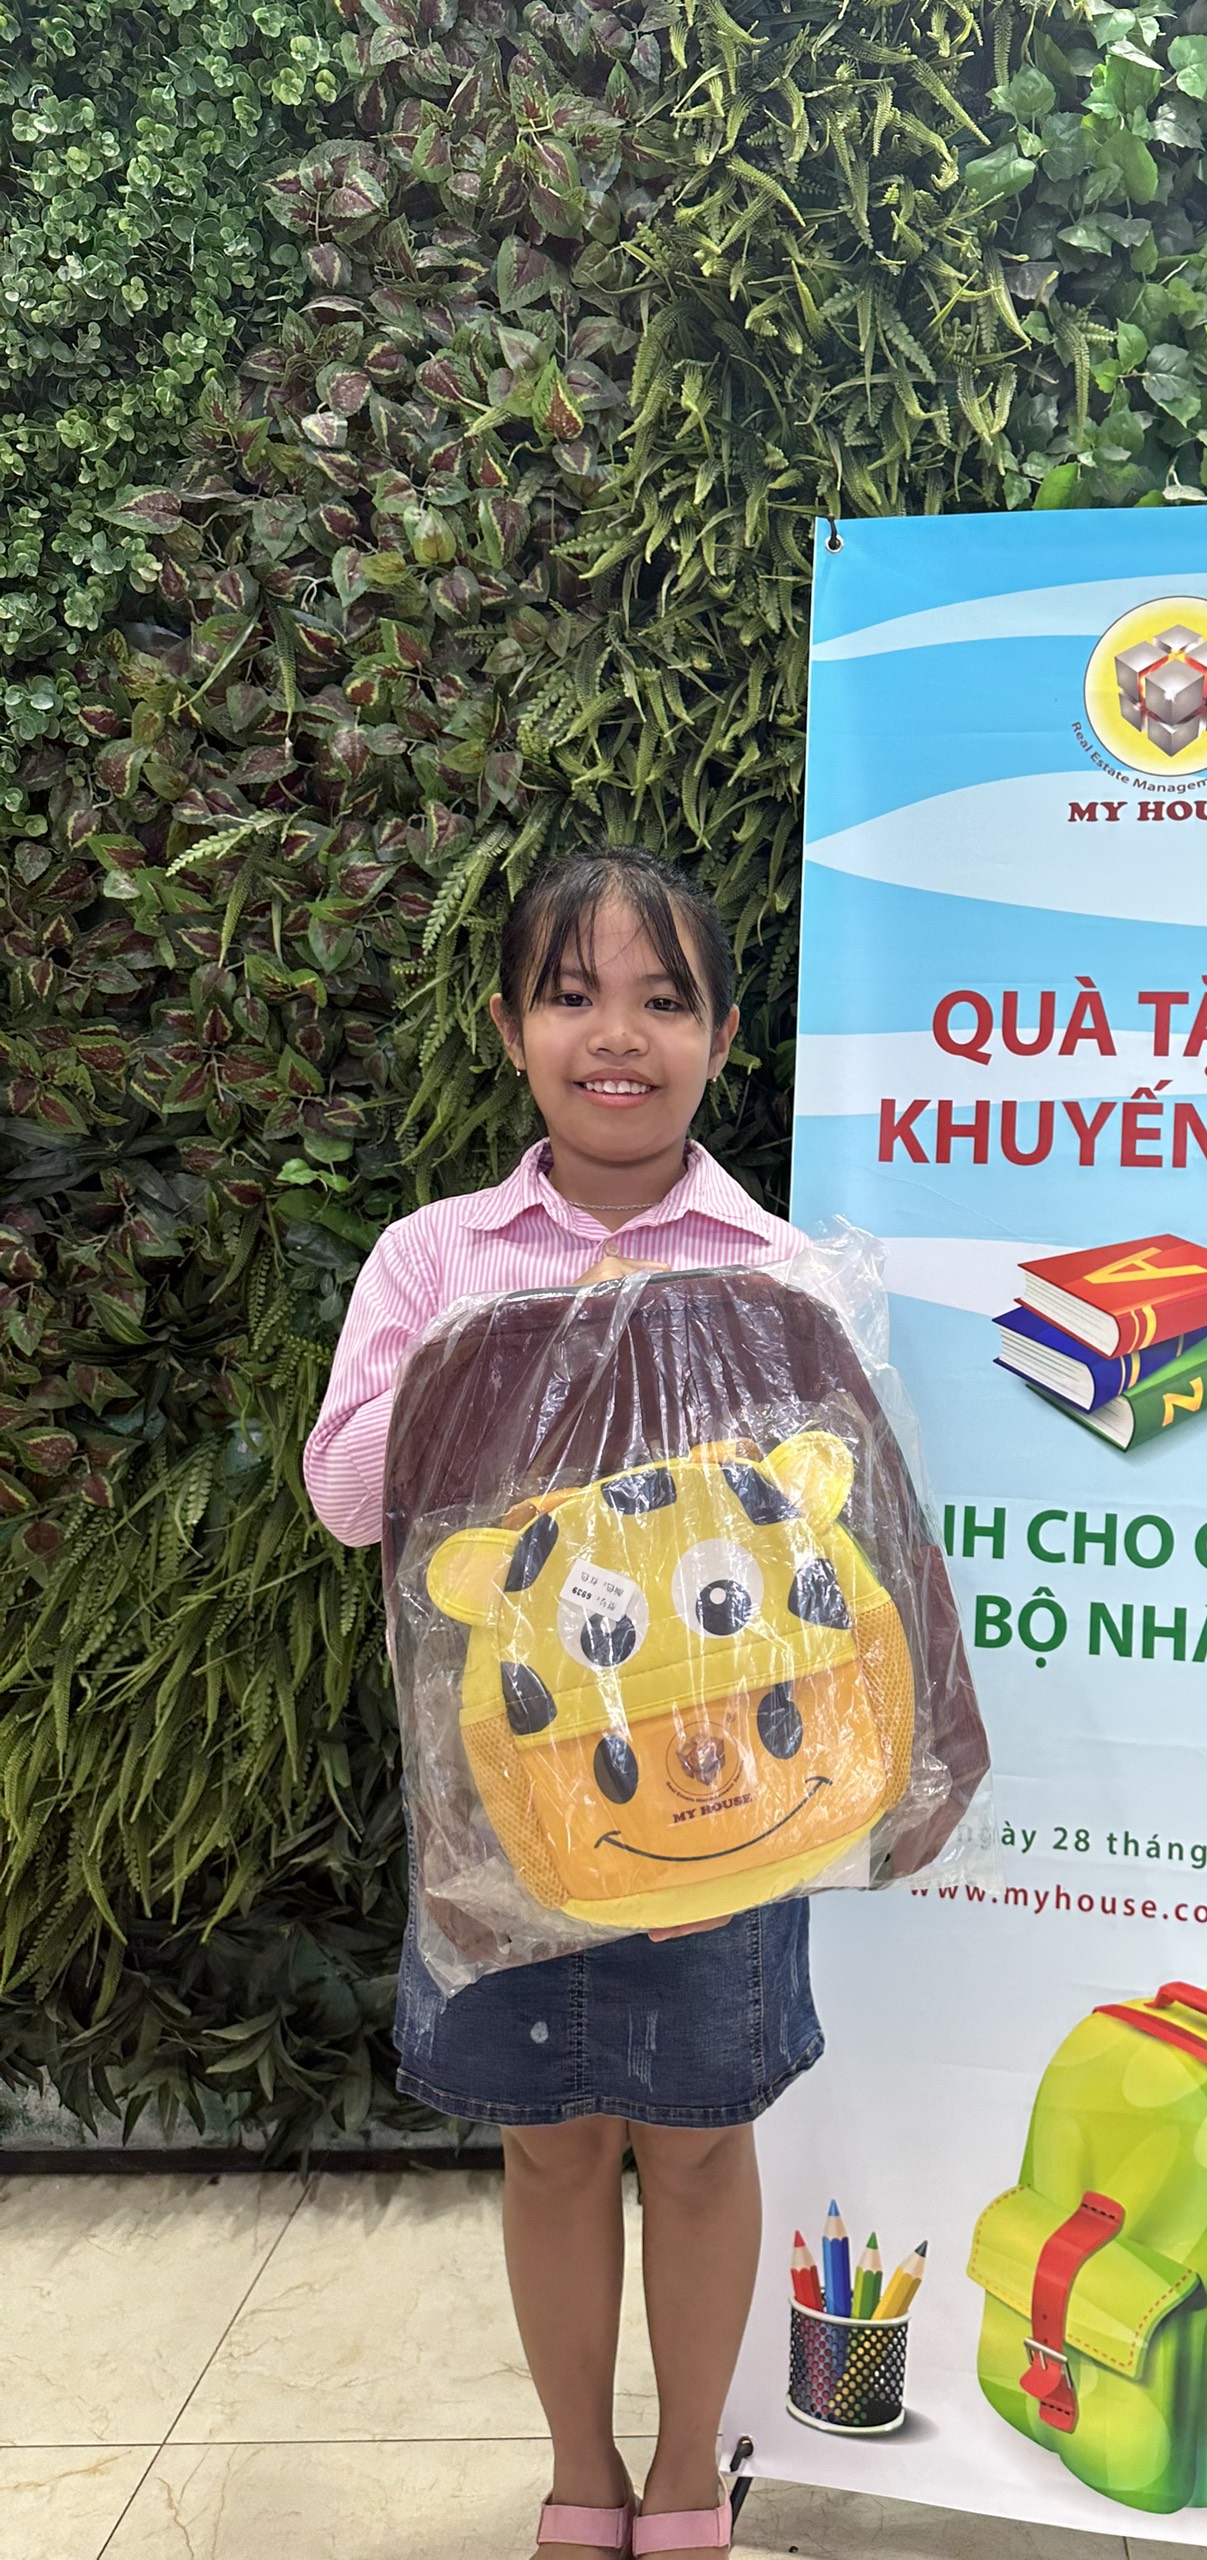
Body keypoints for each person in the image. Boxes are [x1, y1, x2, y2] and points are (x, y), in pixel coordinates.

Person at [304, 847, 818, 2560]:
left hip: (724, 1805)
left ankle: (685, 2476)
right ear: (511, 1026)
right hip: (507, 1811)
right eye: (573, 994)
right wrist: (517, 1348)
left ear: (723, 1037)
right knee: (549, 2147)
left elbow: (829, 1547)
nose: (618, 1035)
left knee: (699, 2146)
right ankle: (580, 2469)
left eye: (664, 1000)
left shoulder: (775, 1268)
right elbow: (347, 1498)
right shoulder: (435, 1256)